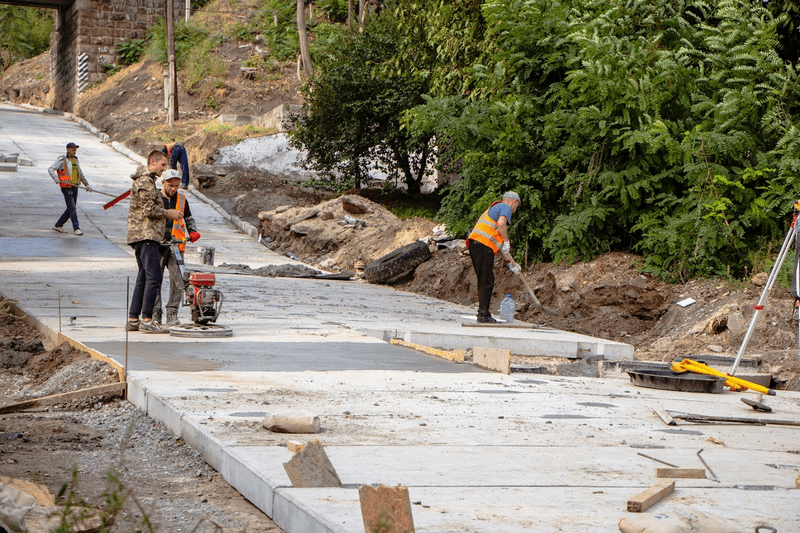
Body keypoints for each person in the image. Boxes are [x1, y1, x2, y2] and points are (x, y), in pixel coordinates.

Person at [126, 150, 183, 334]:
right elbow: (149, 209)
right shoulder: (145, 181)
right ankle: (147, 319)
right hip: (146, 235)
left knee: (143, 276)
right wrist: (168, 213)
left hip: (146, 235)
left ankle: (134, 319)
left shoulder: (147, 181)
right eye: (163, 165)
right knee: (154, 277)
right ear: (153, 162)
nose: (164, 169)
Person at [153, 169, 201, 327]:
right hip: (158, 244)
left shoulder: (181, 198)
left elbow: (188, 217)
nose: (173, 189)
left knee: (177, 280)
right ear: (163, 183)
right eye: (171, 185)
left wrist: (192, 231)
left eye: (176, 186)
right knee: (154, 280)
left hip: (175, 246)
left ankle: (172, 313)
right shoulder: (155, 197)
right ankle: (155, 313)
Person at [466, 191, 522, 323]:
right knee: (486, 281)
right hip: (482, 246)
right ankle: (483, 315)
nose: (514, 210)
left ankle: (483, 314)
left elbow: (501, 247)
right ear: (512, 202)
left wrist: (511, 263)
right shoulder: (505, 207)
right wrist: (507, 241)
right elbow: (502, 224)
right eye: (516, 206)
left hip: (477, 245)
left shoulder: (493, 211)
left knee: (485, 280)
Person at [48, 142, 93, 235]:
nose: (74, 152)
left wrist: (86, 184)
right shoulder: (62, 160)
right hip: (66, 187)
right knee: (72, 208)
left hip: (75, 187)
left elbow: (80, 174)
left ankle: (58, 225)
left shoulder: (75, 160)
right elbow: (51, 169)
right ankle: (76, 228)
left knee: (70, 208)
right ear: (68, 149)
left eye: (75, 150)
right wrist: (55, 178)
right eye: (73, 150)